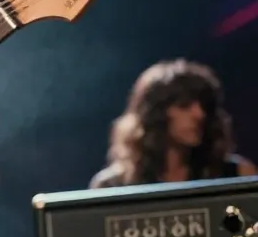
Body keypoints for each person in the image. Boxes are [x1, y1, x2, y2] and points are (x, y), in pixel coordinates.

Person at [91, 58, 256, 188]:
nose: (200, 114)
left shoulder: (238, 175)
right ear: (155, 114)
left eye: (205, 106)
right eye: (184, 105)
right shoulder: (112, 186)